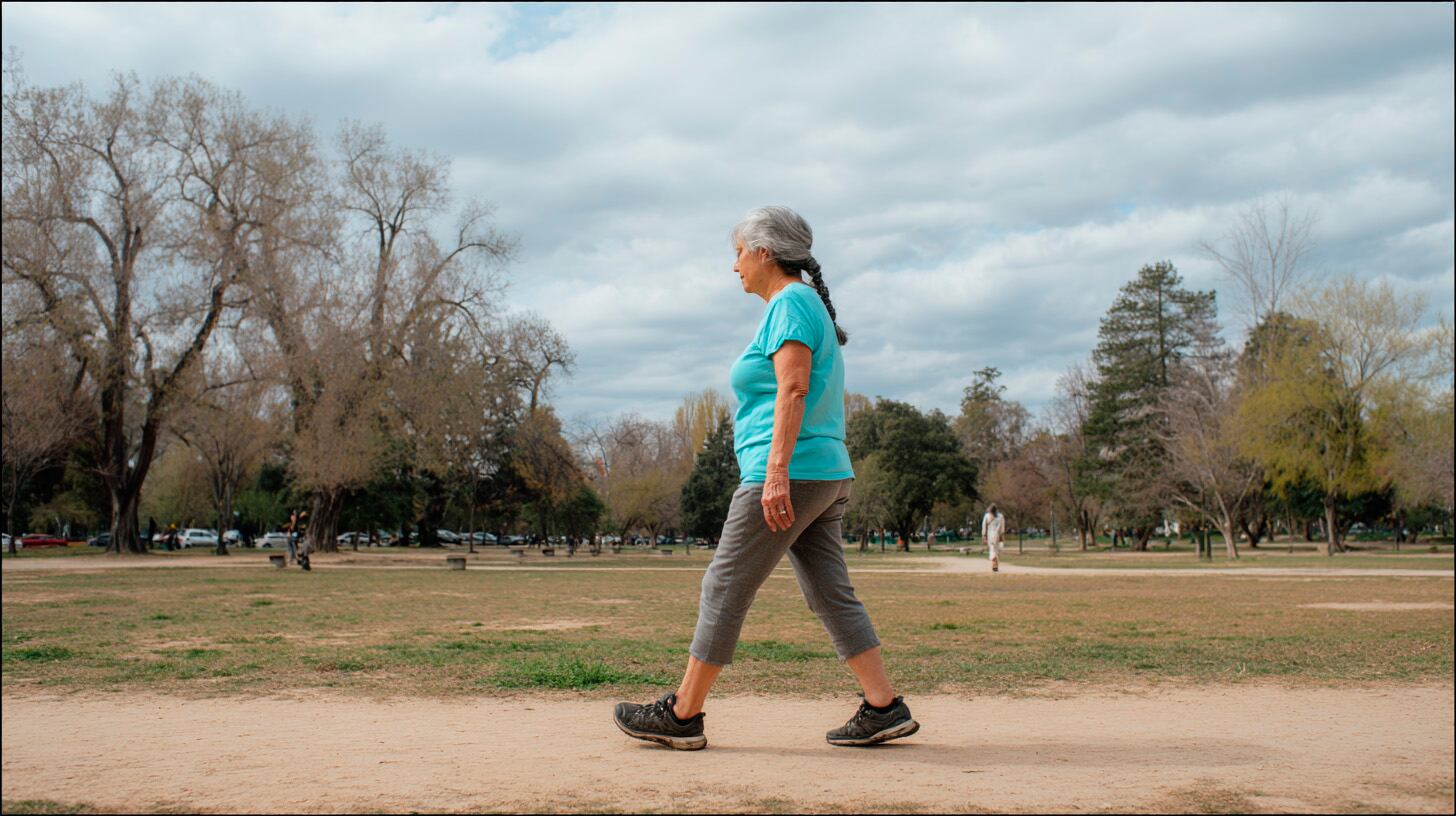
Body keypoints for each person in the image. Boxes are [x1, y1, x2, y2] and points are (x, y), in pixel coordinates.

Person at [613, 206, 917, 751]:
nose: (734, 267)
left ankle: (682, 715)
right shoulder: (802, 304)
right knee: (829, 593)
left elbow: (794, 388)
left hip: (789, 473)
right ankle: (883, 707)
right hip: (822, 474)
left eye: (737, 253)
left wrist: (775, 471)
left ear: (765, 252)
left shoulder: (792, 303)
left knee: (724, 585)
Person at [982, 503, 1006, 572]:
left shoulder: (987, 516)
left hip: (990, 535)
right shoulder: (1001, 516)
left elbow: (984, 526)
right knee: (997, 550)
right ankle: (995, 565)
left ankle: (994, 564)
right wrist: (1002, 535)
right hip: (998, 535)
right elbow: (1002, 526)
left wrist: (984, 536)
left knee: (992, 549)